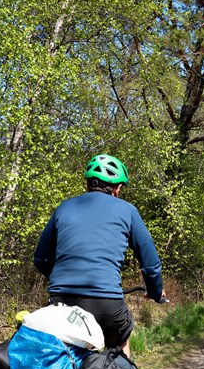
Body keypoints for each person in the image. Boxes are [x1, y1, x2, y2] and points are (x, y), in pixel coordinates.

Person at [33, 153, 167, 358]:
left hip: (61, 303)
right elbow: (150, 263)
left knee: (59, 352)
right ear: (117, 188)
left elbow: (41, 259)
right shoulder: (127, 210)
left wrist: (62, 278)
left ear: (88, 184)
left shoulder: (64, 207)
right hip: (106, 305)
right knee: (121, 340)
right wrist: (155, 292)